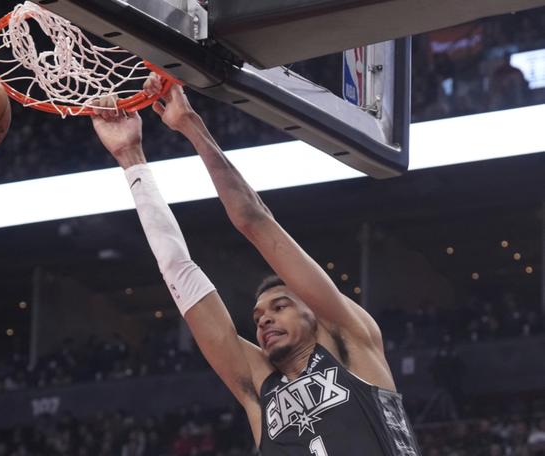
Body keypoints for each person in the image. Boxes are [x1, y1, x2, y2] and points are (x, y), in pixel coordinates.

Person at [90, 75, 421, 455]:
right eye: (259, 315)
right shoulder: (256, 386)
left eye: (280, 306)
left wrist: (190, 126)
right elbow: (180, 271)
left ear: (315, 313)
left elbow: (253, 219)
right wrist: (131, 158)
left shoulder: (349, 341)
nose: (263, 320)